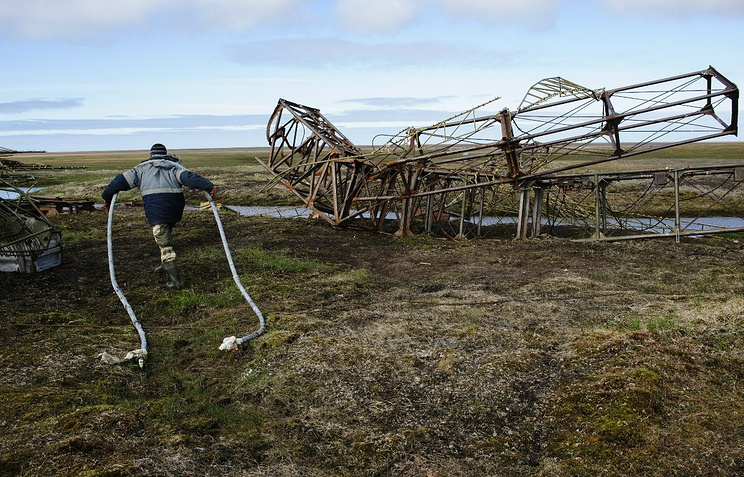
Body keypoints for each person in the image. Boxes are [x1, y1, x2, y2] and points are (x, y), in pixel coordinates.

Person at [102, 143, 216, 289]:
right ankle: (165, 265)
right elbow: (190, 178)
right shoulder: (174, 167)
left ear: (151, 155)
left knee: (165, 244)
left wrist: (107, 196)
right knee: (164, 234)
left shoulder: (141, 169)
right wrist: (208, 185)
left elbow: (120, 181)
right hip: (175, 210)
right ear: (165, 153)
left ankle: (176, 281)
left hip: (157, 211)